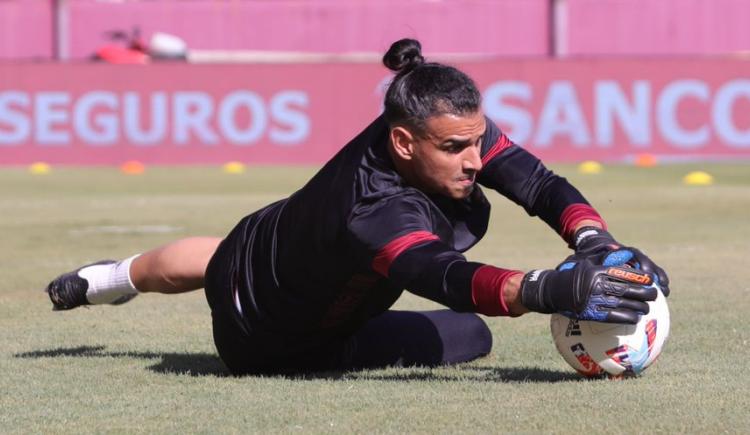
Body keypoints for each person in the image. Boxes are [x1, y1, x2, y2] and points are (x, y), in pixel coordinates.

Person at [46, 39, 670, 376]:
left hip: (257, 242)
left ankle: (104, 278)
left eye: (477, 140)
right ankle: (110, 278)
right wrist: (541, 289)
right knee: (471, 336)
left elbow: (537, 183)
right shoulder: (372, 211)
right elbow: (444, 278)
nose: (476, 158)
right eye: (457, 148)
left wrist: (594, 241)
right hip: (275, 347)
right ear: (404, 142)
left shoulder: (433, 122)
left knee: (217, 259)